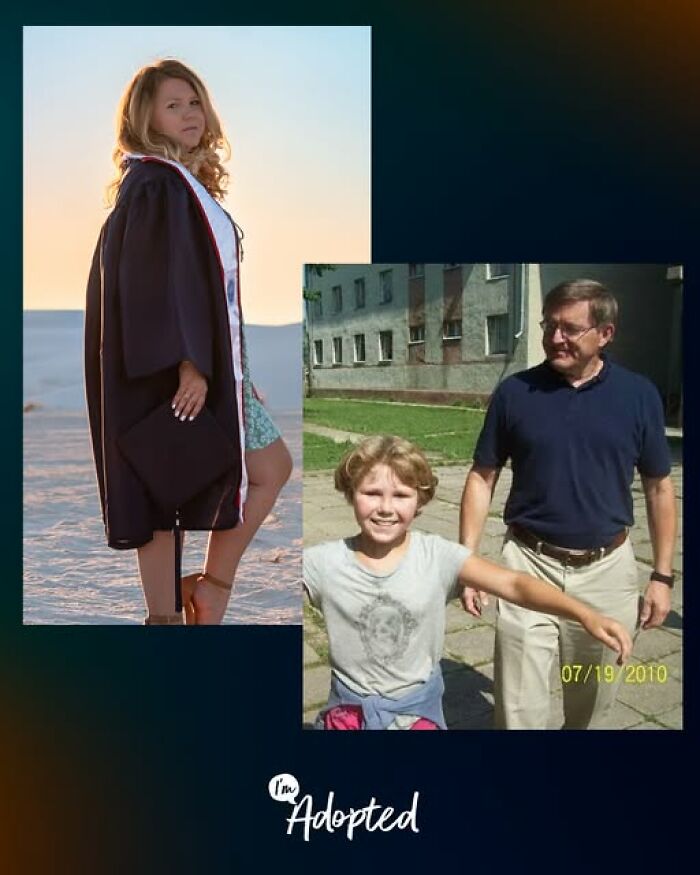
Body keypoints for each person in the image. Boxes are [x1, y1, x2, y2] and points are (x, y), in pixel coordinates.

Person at [85, 59, 292, 625]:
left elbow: (207, 288)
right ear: (145, 118)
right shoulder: (156, 184)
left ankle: (209, 589)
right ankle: (168, 618)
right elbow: (159, 282)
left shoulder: (180, 183)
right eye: (172, 105)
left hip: (208, 364)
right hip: (169, 368)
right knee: (159, 484)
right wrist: (190, 363)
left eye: (194, 102)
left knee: (268, 467)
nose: (189, 114)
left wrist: (233, 371)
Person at [460, 279, 677, 729]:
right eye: (549, 326)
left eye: (570, 329)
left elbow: (659, 487)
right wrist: (468, 564)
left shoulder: (639, 396)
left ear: (605, 334)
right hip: (527, 565)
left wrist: (661, 576)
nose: (555, 338)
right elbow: (482, 477)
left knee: (591, 707)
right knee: (518, 712)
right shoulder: (515, 393)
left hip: (607, 572)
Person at [303, 435, 632, 730]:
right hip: (347, 717)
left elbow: (514, 584)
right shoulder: (322, 563)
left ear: (420, 501)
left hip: (416, 718)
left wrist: (584, 614)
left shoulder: (438, 557)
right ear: (351, 493)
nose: (386, 508)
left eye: (401, 495)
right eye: (372, 493)